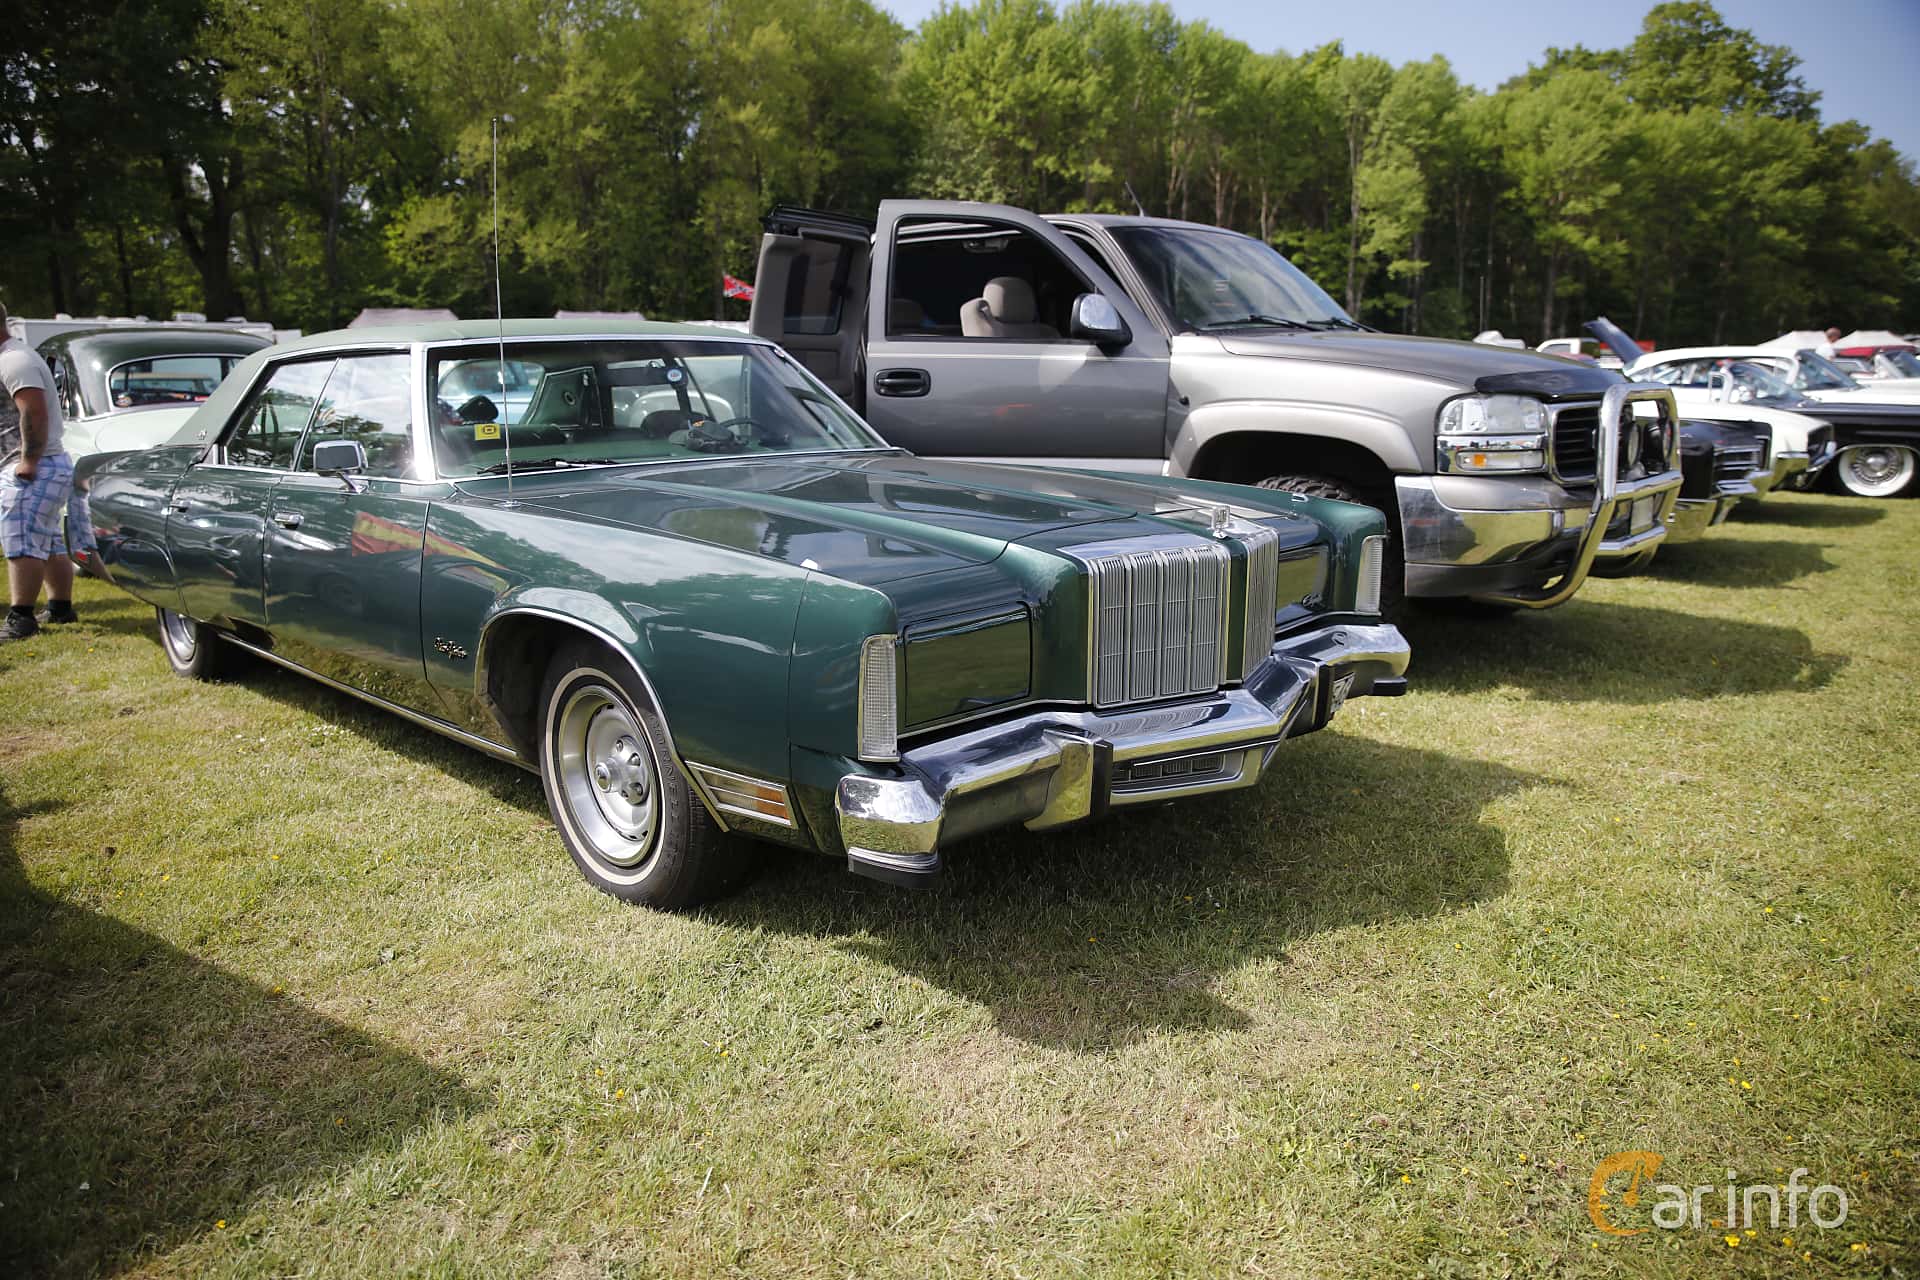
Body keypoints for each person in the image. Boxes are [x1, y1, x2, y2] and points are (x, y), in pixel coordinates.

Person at [0, 302, 78, 640]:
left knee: (21, 540)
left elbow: (33, 412)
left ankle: (21, 618)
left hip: (35, 465)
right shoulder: (12, 356)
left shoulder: (13, 360)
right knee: (47, 541)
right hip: (43, 464)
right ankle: (60, 607)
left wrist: (29, 461)